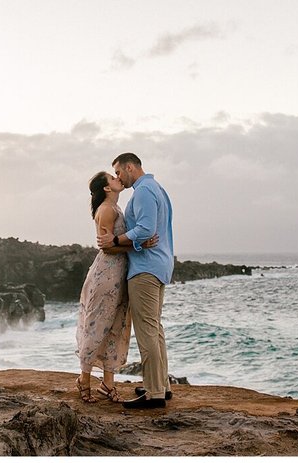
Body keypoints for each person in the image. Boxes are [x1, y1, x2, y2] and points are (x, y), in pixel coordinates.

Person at [96, 152, 174, 409]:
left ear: (130, 167)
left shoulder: (142, 191)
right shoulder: (157, 188)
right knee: (155, 328)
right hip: (158, 265)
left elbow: (145, 229)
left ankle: (154, 393)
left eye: (119, 172)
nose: (118, 177)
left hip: (145, 269)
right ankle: (161, 385)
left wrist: (116, 240)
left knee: (147, 331)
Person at [75, 171, 157, 404]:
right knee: (97, 325)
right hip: (107, 275)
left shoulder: (114, 208)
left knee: (116, 326)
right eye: (112, 178)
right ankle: (84, 379)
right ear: (107, 188)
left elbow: (114, 242)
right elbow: (108, 248)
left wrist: (138, 244)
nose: (118, 178)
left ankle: (108, 383)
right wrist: (140, 246)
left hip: (120, 274)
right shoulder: (107, 210)